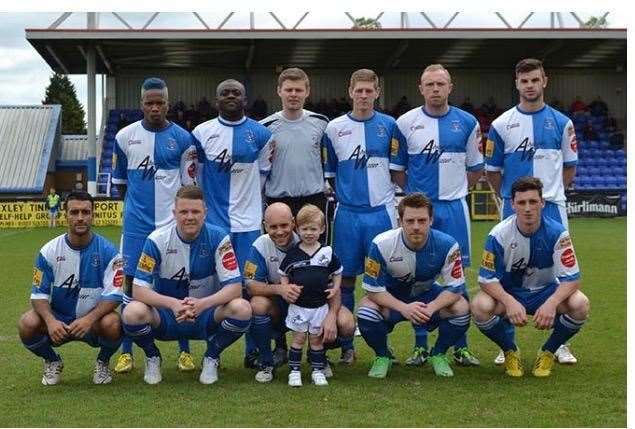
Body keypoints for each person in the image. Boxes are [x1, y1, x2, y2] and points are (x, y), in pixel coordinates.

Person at [485, 58, 579, 365]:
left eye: (535, 80)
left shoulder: (563, 122)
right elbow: (493, 171)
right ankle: (505, 344)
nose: (530, 86)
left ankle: (560, 344)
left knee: (559, 272)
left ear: (544, 81)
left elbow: (569, 167)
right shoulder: (501, 125)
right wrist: (510, 199)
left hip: (551, 207)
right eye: (524, 81)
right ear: (517, 84)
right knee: (506, 273)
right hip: (516, 208)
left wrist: (552, 195)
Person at [391, 64, 483, 367]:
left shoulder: (468, 122)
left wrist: (453, 193)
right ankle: (420, 346)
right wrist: (419, 200)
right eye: (429, 84)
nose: (435, 89)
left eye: (440, 84)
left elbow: (475, 169)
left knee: (456, 276)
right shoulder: (405, 123)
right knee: (418, 276)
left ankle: (460, 345)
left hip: (454, 208)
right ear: (421, 88)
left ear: (450, 87)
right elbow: (398, 170)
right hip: (419, 210)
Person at [121, 185, 252, 385]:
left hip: (206, 315)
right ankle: (152, 356)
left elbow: (235, 288)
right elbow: (138, 290)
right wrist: (174, 304)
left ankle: (212, 356)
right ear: (174, 213)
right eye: (184, 211)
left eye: (195, 211)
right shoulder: (156, 240)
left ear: (205, 213)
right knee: (131, 312)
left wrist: (202, 304)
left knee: (242, 309)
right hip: (166, 317)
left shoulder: (219, 238)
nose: (189, 217)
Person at [111, 77, 198, 374]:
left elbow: (188, 187)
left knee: (177, 284)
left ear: (168, 104)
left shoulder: (184, 139)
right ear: (142, 105)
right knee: (131, 286)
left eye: (160, 102)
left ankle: (184, 351)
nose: (155, 107)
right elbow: (121, 184)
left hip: (171, 228)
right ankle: (127, 352)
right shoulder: (124, 137)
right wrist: (136, 213)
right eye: (149, 103)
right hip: (136, 229)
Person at [471, 177, 589, 377]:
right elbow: (486, 279)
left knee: (580, 304)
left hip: (545, 291)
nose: (527, 208)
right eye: (522, 202)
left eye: (533, 202)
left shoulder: (558, 233)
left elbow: (572, 278)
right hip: (511, 292)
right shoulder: (498, 235)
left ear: (542, 203)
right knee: (479, 306)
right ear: (513, 204)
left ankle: (548, 351)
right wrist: (509, 301)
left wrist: (552, 303)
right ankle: (509, 350)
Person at [192, 79, 273, 367]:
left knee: (250, 287)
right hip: (214, 227)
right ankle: (211, 351)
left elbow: (264, 177)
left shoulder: (261, 134)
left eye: (236, 93)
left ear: (245, 99)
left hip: (249, 225)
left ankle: (253, 351)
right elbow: (195, 178)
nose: (230, 96)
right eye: (224, 92)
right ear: (216, 100)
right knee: (214, 289)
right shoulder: (201, 133)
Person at [322, 69, 398, 357]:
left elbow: (398, 168)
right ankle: (346, 345)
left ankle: (382, 345)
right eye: (359, 90)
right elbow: (330, 174)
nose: (364, 96)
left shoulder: (391, 126)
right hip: (348, 216)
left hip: (381, 213)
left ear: (377, 92)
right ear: (350, 91)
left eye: (369, 91)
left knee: (383, 280)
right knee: (346, 278)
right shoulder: (334, 128)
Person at [357, 193, 471, 378]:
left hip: (427, 296)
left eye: (422, 220)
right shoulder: (381, 244)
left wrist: (432, 307)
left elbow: (455, 287)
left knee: (462, 308)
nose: (416, 227)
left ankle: (438, 353)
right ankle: (382, 355)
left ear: (431, 220)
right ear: (400, 220)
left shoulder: (448, 244)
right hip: (393, 298)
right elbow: (372, 289)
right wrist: (404, 308)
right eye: (410, 221)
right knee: (366, 310)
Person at [18, 191, 124, 385]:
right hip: (59, 321)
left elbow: (115, 295)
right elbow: (38, 294)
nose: (80, 218)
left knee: (113, 323)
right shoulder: (48, 251)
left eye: (86, 212)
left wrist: (89, 319)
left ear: (93, 214)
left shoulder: (110, 252)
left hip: (93, 322)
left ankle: (103, 361)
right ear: (65, 214)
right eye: (74, 212)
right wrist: (50, 321)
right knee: (27, 323)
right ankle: (52, 360)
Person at [245, 202, 355, 383]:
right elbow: (250, 285)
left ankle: (318, 355)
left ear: (293, 223)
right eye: (273, 227)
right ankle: (268, 360)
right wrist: (280, 289)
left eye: (284, 225)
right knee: (256, 304)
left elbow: (332, 285)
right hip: (281, 305)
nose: (279, 231)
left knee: (347, 323)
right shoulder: (259, 245)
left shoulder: (310, 241)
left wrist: (331, 315)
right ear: (265, 226)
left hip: (315, 304)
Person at [277, 204, 343, 387]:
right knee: (298, 339)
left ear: (322, 229)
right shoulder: (293, 253)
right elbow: (283, 274)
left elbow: (338, 272)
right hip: (299, 306)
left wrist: (335, 288)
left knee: (316, 340)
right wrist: (286, 290)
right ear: (297, 229)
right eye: (304, 229)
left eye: (313, 228)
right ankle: (295, 372)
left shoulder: (327, 252)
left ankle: (317, 370)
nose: (308, 233)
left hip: (320, 306)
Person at [260, 68, 330, 219]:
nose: (293, 94)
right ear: (279, 91)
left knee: (315, 244)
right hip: (278, 202)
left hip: (313, 201)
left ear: (307, 91)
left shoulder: (322, 123)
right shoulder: (264, 127)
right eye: (288, 89)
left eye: (298, 90)